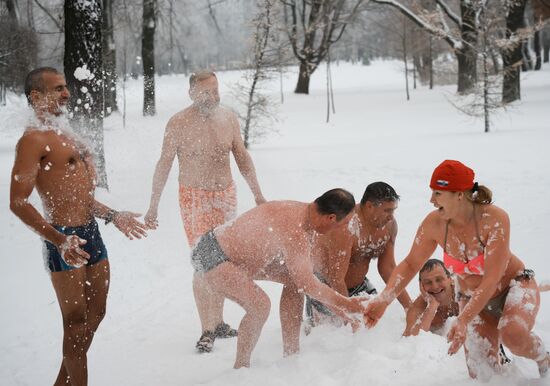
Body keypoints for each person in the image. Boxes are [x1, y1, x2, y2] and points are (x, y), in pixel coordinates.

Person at [10, 67, 148, 386]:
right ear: (36, 97)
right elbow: (18, 202)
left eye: (66, 87)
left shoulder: (67, 133)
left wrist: (113, 215)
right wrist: (59, 240)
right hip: (63, 239)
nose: (66, 93)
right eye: (58, 88)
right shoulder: (32, 140)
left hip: (91, 235)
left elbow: (80, 197)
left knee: (95, 314)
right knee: (74, 323)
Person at [364, 160, 550, 379]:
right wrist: (384, 300)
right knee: (481, 373)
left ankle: (544, 360)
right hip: (473, 299)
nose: (431, 200)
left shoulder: (495, 219)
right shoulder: (434, 223)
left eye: (437, 194)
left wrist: (462, 320)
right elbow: (411, 264)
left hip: (514, 287)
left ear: (459, 195)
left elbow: (491, 279)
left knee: (513, 335)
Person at [144, 70, 266, 350]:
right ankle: (206, 330)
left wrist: (258, 194)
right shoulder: (178, 123)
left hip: (225, 195)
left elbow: (243, 158)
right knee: (203, 261)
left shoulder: (228, 119)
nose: (214, 96)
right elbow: (164, 164)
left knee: (222, 258)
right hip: (194, 197)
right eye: (206, 92)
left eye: (215, 90)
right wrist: (153, 206)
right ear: (191, 94)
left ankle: (220, 322)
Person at [190, 189, 367, 368]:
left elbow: (304, 280)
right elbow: (309, 284)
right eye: (343, 224)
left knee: (293, 280)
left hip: (235, 256)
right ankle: (241, 368)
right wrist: (347, 304)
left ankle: (291, 353)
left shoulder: (306, 217)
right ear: (330, 218)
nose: (342, 229)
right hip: (213, 255)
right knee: (260, 305)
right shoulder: (296, 228)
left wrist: (345, 311)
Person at [306, 182, 412, 327]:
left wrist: (410, 308)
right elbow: (335, 278)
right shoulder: (346, 226)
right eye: (387, 211)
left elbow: (387, 269)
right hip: (327, 288)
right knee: (331, 339)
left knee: (378, 327)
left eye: (393, 211)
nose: (391, 217)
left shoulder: (390, 226)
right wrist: (349, 317)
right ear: (369, 206)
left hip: (359, 286)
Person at [403, 259, 459, 336]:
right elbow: (411, 340)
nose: (435, 287)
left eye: (439, 279)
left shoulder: (464, 295)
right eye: (428, 282)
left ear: (450, 279)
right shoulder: (418, 307)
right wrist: (432, 306)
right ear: (421, 286)